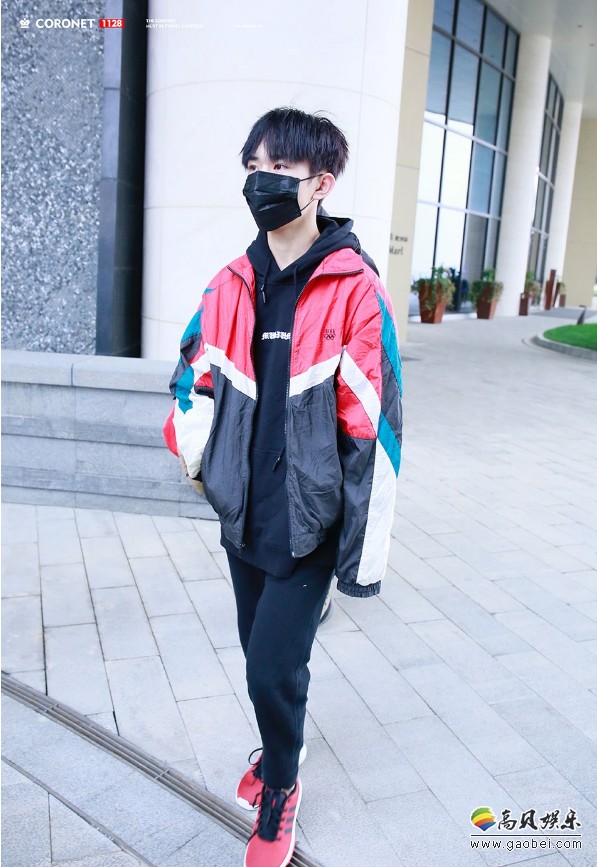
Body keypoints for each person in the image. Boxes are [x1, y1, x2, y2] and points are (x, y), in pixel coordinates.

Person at [163, 107, 403, 867]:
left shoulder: (355, 289)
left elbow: (375, 425)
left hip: (310, 520)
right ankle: (277, 746)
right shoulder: (229, 284)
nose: (260, 182)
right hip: (244, 514)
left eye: (279, 169)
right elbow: (189, 379)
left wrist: (359, 549)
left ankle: (281, 786)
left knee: (271, 668)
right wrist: (202, 465)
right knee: (258, 656)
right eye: (253, 168)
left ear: (320, 184)